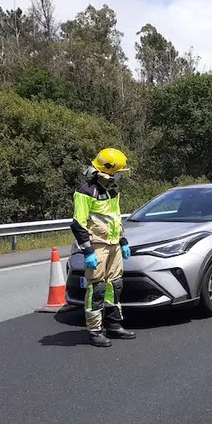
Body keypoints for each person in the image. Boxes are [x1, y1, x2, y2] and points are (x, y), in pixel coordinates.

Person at [70, 148, 136, 347]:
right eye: (117, 172)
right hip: (97, 246)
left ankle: (114, 324)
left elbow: (116, 218)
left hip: (114, 245)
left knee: (114, 286)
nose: (119, 176)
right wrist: (87, 250)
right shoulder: (85, 191)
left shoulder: (112, 190)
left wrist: (123, 241)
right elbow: (78, 223)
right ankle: (95, 330)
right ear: (106, 171)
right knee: (97, 288)